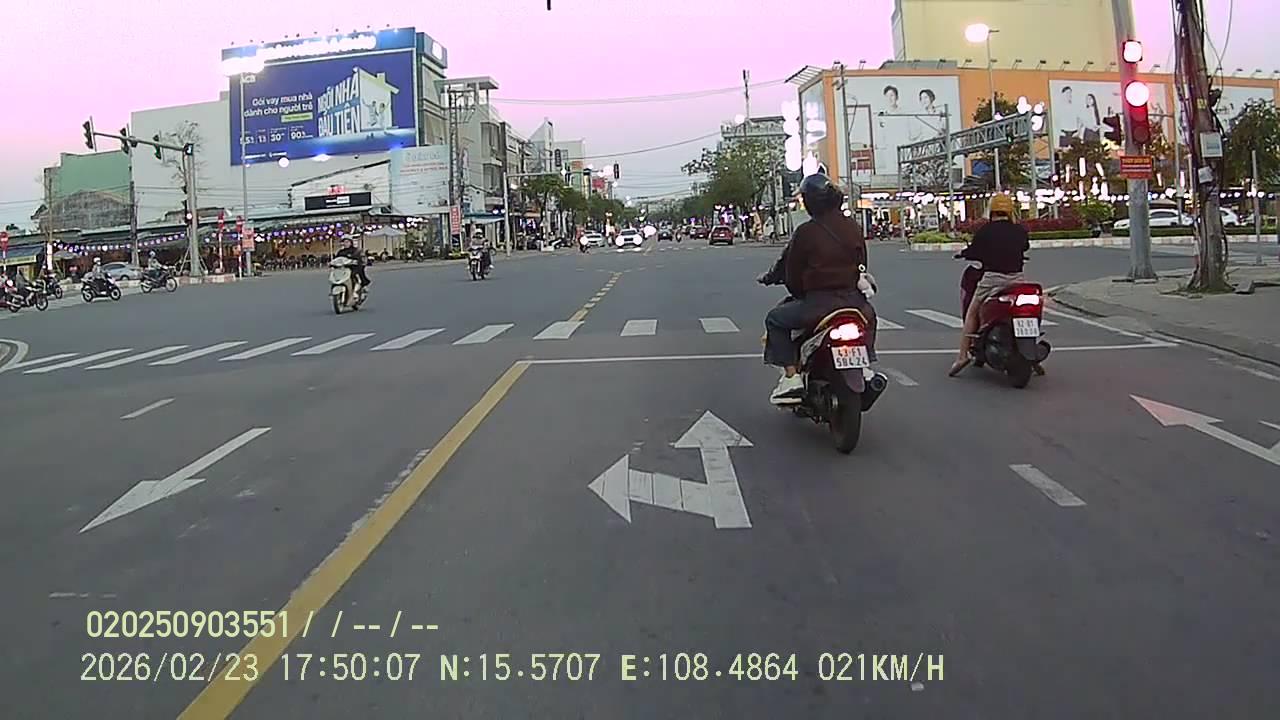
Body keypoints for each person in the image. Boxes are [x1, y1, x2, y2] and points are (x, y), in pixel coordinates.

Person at [762, 173, 878, 405]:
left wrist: (799, 290)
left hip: (817, 306)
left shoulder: (806, 232)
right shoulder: (853, 227)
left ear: (810, 201)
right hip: (855, 303)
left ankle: (791, 377)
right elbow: (862, 264)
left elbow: (792, 275)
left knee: (775, 319)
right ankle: (865, 364)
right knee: (870, 318)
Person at [949, 193, 1030, 376]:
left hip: (993, 279)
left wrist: (965, 253)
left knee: (972, 311)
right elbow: (1025, 247)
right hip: (1017, 279)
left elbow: (974, 251)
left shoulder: (985, 231)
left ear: (992, 210)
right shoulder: (1019, 230)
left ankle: (962, 356)